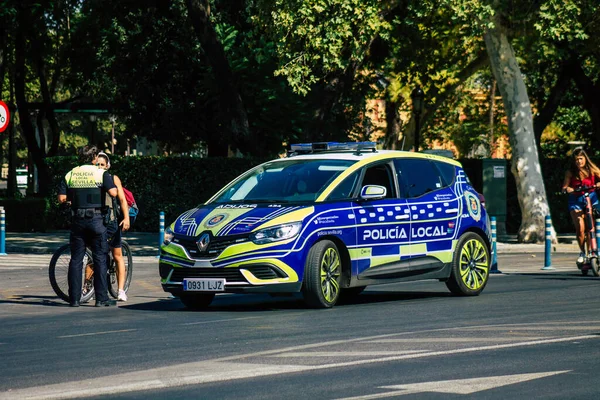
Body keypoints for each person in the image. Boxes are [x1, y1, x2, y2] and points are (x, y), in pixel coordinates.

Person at [57, 145, 118, 307]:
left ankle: (75, 299)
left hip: (77, 220)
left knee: (76, 259)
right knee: (99, 258)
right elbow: (113, 193)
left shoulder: (70, 174)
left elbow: (62, 198)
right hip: (96, 219)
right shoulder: (100, 173)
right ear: (94, 158)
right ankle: (101, 299)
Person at [96, 152, 131, 301]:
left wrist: (126, 218)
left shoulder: (113, 178)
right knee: (93, 255)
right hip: (97, 221)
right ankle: (86, 286)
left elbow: (122, 200)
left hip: (111, 221)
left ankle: (121, 290)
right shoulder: (92, 177)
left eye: (102, 164)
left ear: (108, 166)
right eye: (97, 164)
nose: (99, 167)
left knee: (117, 255)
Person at [561, 147, 600, 264]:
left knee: (591, 227)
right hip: (576, 200)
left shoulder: (593, 170)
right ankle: (583, 252)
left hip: (591, 198)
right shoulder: (570, 172)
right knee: (580, 227)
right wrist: (567, 189)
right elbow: (564, 187)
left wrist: (598, 184)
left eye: (581, 159)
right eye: (576, 159)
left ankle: (592, 251)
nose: (579, 162)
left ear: (585, 159)